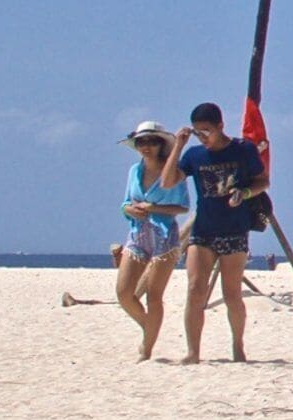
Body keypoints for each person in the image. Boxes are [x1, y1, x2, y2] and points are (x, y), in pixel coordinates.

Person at [174, 102, 269, 364]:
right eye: (197, 132)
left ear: (220, 126)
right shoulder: (194, 155)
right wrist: (179, 146)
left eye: (206, 131)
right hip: (203, 230)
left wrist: (245, 192)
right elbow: (169, 180)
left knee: (231, 294)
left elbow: (263, 181)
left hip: (234, 231)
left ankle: (237, 345)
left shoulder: (243, 150)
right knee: (195, 289)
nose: (202, 137)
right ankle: (193, 351)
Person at [114, 125, 189, 358]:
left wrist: (154, 208)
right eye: (141, 142)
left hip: (164, 236)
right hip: (138, 234)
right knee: (124, 293)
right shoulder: (134, 171)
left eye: (151, 141)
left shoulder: (174, 173)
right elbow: (125, 202)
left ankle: (146, 349)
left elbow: (183, 207)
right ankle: (149, 327)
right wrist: (130, 210)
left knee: (154, 296)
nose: (146, 147)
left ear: (160, 144)